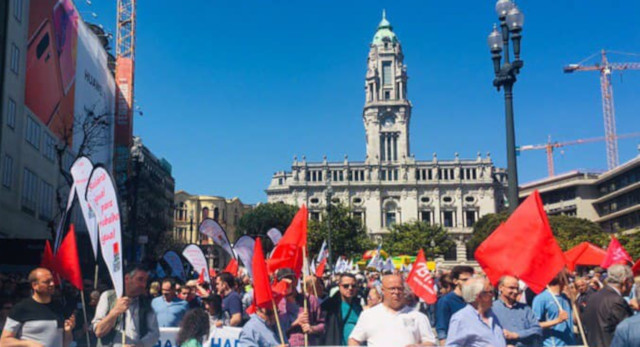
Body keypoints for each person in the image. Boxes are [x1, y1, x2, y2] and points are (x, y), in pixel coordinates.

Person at [348, 274, 436, 346]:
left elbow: (431, 342)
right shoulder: (368, 315)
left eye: (399, 288)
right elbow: (354, 339)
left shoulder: (418, 316)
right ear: (383, 290)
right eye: (392, 289)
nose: (396, 292)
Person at [0, 268, 76, 346]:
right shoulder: (21, 308)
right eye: (47, 282)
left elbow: (65, 344)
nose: (52, 284)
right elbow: (4, 342)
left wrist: (68, 331)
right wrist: (27, 343)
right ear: (34, 285)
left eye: (52, 280)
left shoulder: (59, 307)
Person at [92, 263, 160, 347]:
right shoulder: (108, 297)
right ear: (127, 278)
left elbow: (154, 334)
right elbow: (99, 331)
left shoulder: (146, 303)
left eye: (145, 281)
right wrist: (115, 312)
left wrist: (139, 345)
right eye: (140, 279)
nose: (143, 284)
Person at [445, 276, 505, 347]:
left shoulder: (492, 315)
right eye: (490, 292)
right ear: (479, 296)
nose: (493, 296)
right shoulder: (461, 318)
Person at [583, 264, 634, 347]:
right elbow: (630, 330)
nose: (632, 286)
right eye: (632, 282)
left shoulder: (593, 297)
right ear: (625, 281)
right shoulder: (617, 301)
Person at [491, 275, 542, 346]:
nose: (515, 291)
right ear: (500, 288)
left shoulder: (525, 309)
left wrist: (517, 335)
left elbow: (537, 329)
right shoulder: (492, 309)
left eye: (517, 288)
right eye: (511, 288)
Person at [532, 272, 575, 346]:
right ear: (562, 280)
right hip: (552, 344)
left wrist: (574, 302)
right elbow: (534, 325)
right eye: (569, 280)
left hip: (570, 343)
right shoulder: (541, 298)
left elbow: (574, 320)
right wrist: (557, 320)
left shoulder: (565, 297)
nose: (570, 284)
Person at [435, 265, 473, 344]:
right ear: (455, 281)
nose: (469, 283)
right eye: (465, 280)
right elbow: (442, 329)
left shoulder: (474, 299)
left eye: (471, 279)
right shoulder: (445, 301)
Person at [321, 273, 362, 345]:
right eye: (346, 286)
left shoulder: (358, 305)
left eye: (353, 286)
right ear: (339, 286)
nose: (350, 288)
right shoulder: (329, 306)